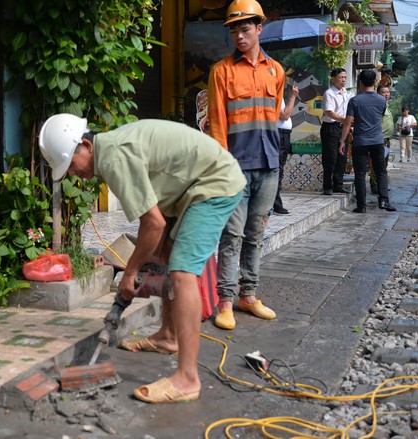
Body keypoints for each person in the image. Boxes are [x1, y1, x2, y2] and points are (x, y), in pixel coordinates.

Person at [39, 114, 246, 404]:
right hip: (188, 188)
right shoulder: (112, 149)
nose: (73, 174)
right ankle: (168, 336)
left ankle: (187, 379)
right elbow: (152, 222)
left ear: (85, 145)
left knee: (183, 272)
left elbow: (154, 224)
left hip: (214, 184)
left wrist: (129, 272)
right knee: (165, 256)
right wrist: (146, 259)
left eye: (71, 166)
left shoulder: (113, 158)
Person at [207, 0, 282, 330]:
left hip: (269, 163)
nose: (239, 35)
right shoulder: (221, 71)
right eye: (234, 29)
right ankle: (225, 300)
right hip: (235, 166)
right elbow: (217, 123)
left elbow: (275, 115)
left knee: (255, 234)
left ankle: (248, 295)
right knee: (231, 234)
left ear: (259, 29)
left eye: (245, 28)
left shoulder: (275, 70)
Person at [339, 70, 396, 213]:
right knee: (381, 171)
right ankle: (384, 201)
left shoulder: (355, 100)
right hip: (378, 141)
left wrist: (342, 141)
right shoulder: (382, 100)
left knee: (360, 173)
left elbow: (347, 123)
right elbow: (379, 116)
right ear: (375, 82)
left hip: (360, 142)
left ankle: (361, 206)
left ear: (361, 82)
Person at [321, 68, 352, 195]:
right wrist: (346, 120)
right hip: (331, 127)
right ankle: (327, 185)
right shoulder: (329, 93)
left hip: (343, 128)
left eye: (345, 77)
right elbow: (330, 112)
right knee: (330, 158)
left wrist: (348, 124)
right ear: (333, 79)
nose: (343, 80)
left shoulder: (347, 93)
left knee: (342, 157)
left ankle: (338, 184)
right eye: (341, 77)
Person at [273, 81, 300, 215]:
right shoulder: (272, 95)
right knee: (277, 169)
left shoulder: (277, 95)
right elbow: (284, 115)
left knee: (279, 168)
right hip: (278, 134)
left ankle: (274, 201)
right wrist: (293, 96)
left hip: (283, 134)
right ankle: (275, 202)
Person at [369, 84, 393, 194]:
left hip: (386, 139)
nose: (386, 94)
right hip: (380, 139)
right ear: (378, 93)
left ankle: (381, 185)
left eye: (387, 92)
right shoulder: (377, 106)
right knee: (377, 163)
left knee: (383, 164)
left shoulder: (386, 105)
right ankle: (375, 185)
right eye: (383, 92)